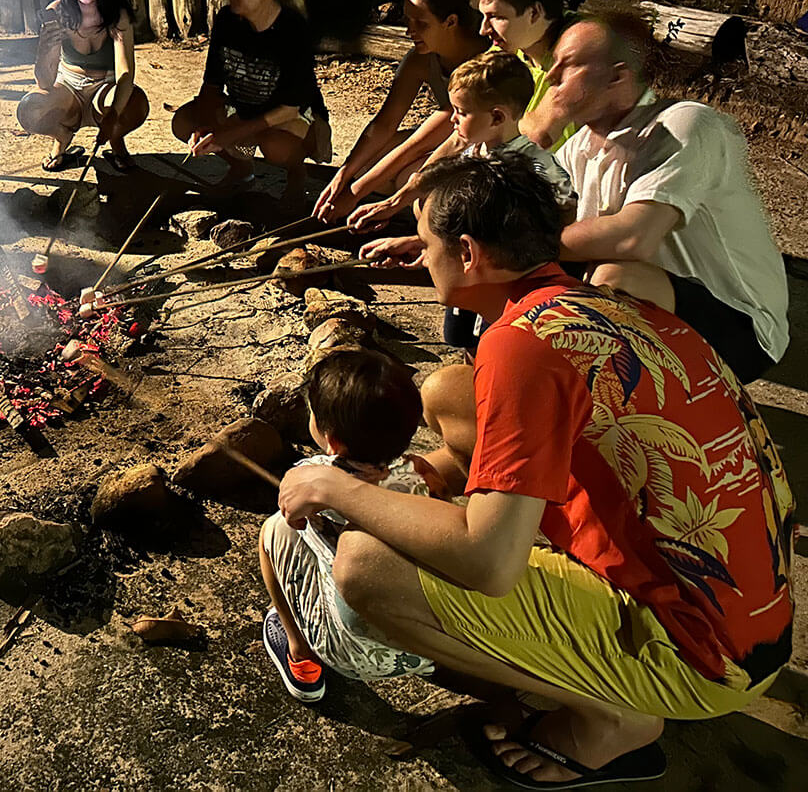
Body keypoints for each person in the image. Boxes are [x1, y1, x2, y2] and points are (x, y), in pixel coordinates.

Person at [280, 153, 793, 787]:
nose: (422, 253)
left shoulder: (521, 344)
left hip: (699, 655)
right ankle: (591, 651)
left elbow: (488, 564)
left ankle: (611, 717)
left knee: (366, 566)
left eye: (427, 238)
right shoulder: (608, 304)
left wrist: (333, 485)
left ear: (467, 252)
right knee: (448, 391)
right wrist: (435, 475)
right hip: (755, 618)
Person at [523, 12, 789, 383]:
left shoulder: (686, 125)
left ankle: (615, 408)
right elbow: (512, 207)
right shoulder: (581, 147)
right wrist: (536, 136)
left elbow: (634, 237)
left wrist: (521, 243)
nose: (551, 78)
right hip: (664, 308)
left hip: (741, 328)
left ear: (618, 76)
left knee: (613, 276)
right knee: (520, 267)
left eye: (568, 65)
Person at [259, 348, 451, 701]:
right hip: (428, 649)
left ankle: (300, 653)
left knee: (273, 531)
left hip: (348, 653)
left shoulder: (311, 476)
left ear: (331, 440)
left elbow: (293, 518)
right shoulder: (420, 476)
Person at [313, 0, 489, 222]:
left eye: (421, 23)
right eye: (408, 21)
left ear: (450, 22)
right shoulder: (421, 59)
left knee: (405, 177)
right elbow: (385, 122)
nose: (410, 31)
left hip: (474, 142)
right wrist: (345, 172)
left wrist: (354, 192)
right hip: (443, 136)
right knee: (366, 166)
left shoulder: (482, 64)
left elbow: (421, 141)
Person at [346, 52, 574, 233]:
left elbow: (566, 208)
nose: (453, 119)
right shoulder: (476, 150)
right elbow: (431, 178)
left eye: (461, 112)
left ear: (497, 117)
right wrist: (390, 206)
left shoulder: (531, 163)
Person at [173, 0, 330, 202]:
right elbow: (212, 84)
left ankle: (297, 173)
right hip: (244, 109)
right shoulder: (226, 20)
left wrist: (228, 135)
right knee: (184, 121)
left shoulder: (293, 30)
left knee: (275, 147)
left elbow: (290, 108)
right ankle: (241, 171)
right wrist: (203, 125)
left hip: (291, 118)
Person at [17, 0, 149, 172]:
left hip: (105, 89)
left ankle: (116, 140)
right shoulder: (56, 11)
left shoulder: (117, 12)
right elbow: (44, 82)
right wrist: (45, 49)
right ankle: (62, 138)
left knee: (135, 103)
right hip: (68, 89)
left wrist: (114, 114)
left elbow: (125, 72)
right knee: (29, 109)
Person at [474, 0, 577, 148]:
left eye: (496, 17)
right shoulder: (507, 50)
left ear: (534, 13)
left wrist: (489, 124)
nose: (483, 30)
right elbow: (461, 130)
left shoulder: (580, 51)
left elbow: (540, 135)